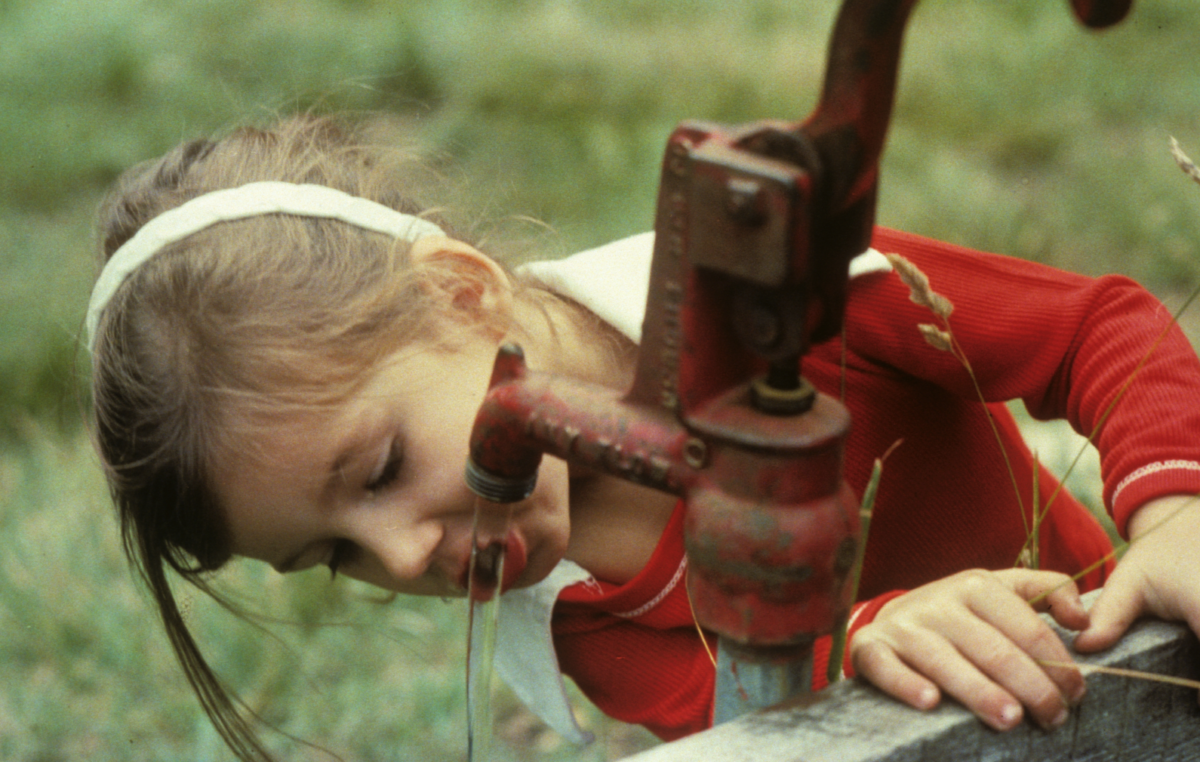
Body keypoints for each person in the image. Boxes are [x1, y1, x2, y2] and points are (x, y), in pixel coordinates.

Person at [87, 113, 1200, 760]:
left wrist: (1177, 513)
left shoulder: (767, 299)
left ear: (464, 295)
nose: (402, 558)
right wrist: (873, 630)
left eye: (381, 470)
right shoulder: (576, 613)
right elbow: (777, 724)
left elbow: (1089, 329)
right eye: (334, 554)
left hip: (1150, 664)